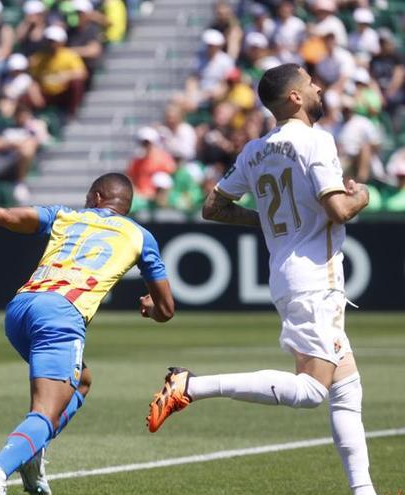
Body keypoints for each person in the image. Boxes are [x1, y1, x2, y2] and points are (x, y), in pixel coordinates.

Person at [146, 64, 375, 495]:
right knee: (311, 391)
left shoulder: (255, 150)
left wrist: (272, 225)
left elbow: (213, 207)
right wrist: (362, 193)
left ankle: (364, 491)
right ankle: (190, 385)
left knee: (347, 388)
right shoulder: (315, 141)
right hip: (314, 280)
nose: (318, 87)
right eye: (310, 84)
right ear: (294, 98)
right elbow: (340, 210)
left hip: (289, 275)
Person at [0, 173, 174, 494]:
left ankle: (32, 454)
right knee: (44, 412)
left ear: (96, 198)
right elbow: (166, 310)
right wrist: (151, 307)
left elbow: (8, 217)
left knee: (81, 381)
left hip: (20, 309)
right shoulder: (140, 236)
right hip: (61, 315)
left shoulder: (65, 215)